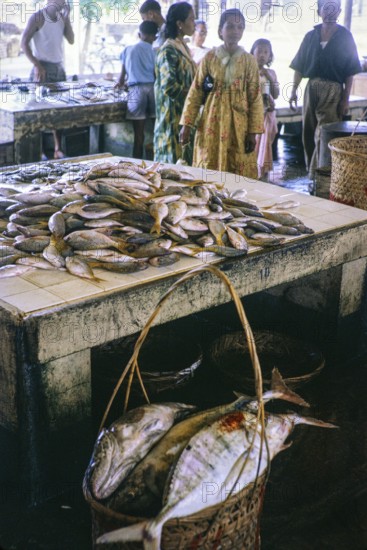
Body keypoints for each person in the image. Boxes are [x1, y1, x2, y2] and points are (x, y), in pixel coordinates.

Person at [179, 9, 264, 179]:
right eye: (230, 26)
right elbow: (196, 91)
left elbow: (255, 98)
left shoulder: (249, 61)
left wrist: (253, 132)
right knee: (209, 165)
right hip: (212, 123)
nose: (235, 31)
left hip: (239, 126)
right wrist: (186, 125)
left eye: (240, 27)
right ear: (220, 31)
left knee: (238, 170)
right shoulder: (210, 58)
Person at [289, 0, 361, 179]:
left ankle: (320, 176)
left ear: (339, 11)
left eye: (334, 8)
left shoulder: (345, 36)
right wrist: (293, 91)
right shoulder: (310, 36)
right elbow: (299, 66)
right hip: (311, 86)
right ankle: (310, 175)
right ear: (319, 10)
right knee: (308, 133)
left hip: (332, 90)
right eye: (326, 7)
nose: (330, 12)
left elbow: (350, 72)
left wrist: (345, 100)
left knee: (324, 133)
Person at [21, 0, 74, 160]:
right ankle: (41, 152)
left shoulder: (62, 18)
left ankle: (58, 149)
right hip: (43, 69)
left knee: (59, 111)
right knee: (40, 112)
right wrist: (36, 65)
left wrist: (67, 18)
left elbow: (71, 40)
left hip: (59, 68)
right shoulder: (38, 17)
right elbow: (23, 43)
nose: (63, 2)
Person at [154, 2, 196, 164]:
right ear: (179, 24)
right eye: (191, 19)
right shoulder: (168, 50)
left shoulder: (182, 46)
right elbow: (169, 87)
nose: (194, 22)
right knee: (171, 169)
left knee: (185, 169)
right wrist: (195, 96)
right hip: (171, 120)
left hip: (183, 118)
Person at [115, 21, 158, 159]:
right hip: (153, 90)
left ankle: (136, 167)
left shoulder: (127, 49)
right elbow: (157, 74)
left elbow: (121, 79)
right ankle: (156, 166)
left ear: (139, 34)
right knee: (157, 132)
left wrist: (121, 84)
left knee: (139, 136)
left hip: (135, 91)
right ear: (155, 37)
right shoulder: (155, 51)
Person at [250, 38, 279, 180]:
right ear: (253, 52)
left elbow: (276, 94)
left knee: (265, 144)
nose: (262, 55)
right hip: (254, 114)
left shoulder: (271, 73)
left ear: (269, 56)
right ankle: (252, 172)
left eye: (266, 52)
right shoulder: (248, 71)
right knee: (254, 144)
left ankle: (264, 173)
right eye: (259, 51)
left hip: (267, 114)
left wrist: (269, 77)